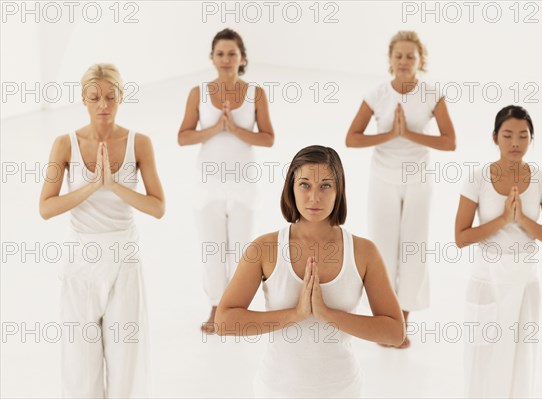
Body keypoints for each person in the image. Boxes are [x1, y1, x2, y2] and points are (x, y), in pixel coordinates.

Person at [215, 145, 405, 398]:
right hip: (276, 390)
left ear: (339, 191)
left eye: (325, 186)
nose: (314, 197)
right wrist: (295, 314)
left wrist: (327, 315)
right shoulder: (264, 248)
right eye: (305, 184)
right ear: (291, 189)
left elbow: (394, 333)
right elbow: (224, 322)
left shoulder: (363, 252)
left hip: (342, 391)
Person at [39, 63, 165, 398]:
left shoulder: (140, 143)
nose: (103, 105)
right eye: (95, 97)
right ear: (84, 99)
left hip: (124, 260)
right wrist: (92, 186)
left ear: (121, 96)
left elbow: (158, 207)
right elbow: (46, 208)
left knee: (127, 367)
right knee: (81, 371)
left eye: (111, 96)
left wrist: (113, 184)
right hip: (81, 263)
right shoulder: (65, 144)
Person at [346, 31, 456, 348]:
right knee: (383, 250)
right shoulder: (377, 95)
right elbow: (352, 138)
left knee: (413, 250)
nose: (404, 62)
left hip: (418, 180)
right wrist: (390, 135)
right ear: (390, 59)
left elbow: (449, 142)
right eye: (399, 55)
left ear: (421, 60)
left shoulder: (432, 95)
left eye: (411, 56)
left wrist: (407, 132)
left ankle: (402, 324)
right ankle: (387, 320)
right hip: (383, 178)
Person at [455, 105, 542, 397]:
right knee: (482, 359)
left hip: (525, 280)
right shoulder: (476, 179)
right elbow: (461, 238)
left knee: (520, 359)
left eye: (523, 135)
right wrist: (503, 220)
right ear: (495, 138)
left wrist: (522, 220)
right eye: (507, 135)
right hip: (486, 280)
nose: (516, 142)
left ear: (531, 139)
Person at [177, 28, 275, 332]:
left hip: (243, 184)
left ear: (242, 57)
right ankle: (217, 307)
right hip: (208, 185)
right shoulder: (198, 93)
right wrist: (215, 128)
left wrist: (233, 128)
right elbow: (183, 136)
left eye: (232, 53)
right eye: (220, 53)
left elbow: (268, 138)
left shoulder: (255, 93)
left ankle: (236, 307)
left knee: (242, 248)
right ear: (212, 57)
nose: (226, 59)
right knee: (212, 248)